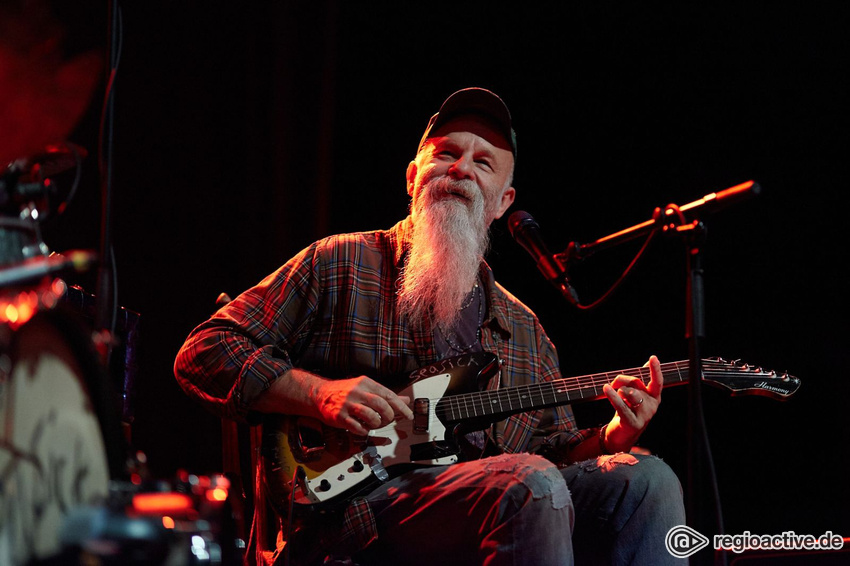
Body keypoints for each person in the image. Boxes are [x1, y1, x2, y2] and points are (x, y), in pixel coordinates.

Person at [175, 87, 686, 565]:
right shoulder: (341, 263)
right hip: (347, 511)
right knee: (529, 482)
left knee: (647, 479)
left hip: (493, 500)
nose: (461, 169)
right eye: (447, 154)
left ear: (503, 202)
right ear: (412, 176)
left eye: (483, 163)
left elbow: (555, 449)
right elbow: (204, 351)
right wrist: (318, 394)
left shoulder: (523, 328)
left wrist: (611, 437)